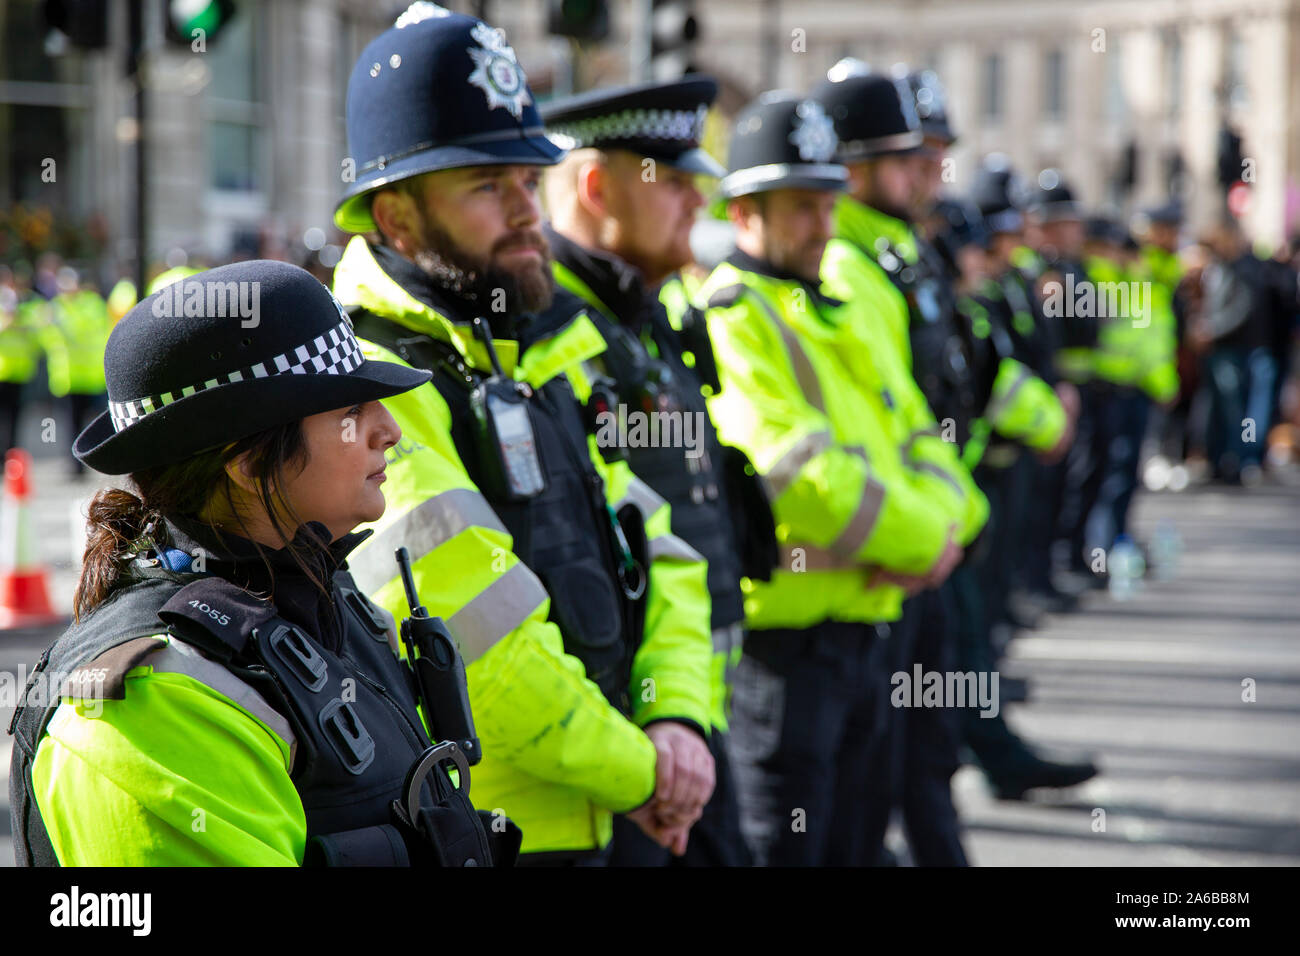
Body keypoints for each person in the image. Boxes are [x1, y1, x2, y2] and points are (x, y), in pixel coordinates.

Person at [330, 7, 714, 864]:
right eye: (485, 187)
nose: (525, 212)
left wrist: (678, 714)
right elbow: (484, 654)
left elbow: (660, 547)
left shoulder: (537, 350)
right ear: (395, 218)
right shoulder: (361, 383)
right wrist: (649, 770)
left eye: (528, 184)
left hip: (619, 806)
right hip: (497, 838)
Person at [8, 260, 513, 866]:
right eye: (349, 411)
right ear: (246, 465)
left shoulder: (310, 587)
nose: (391, 430)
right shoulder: (153, 707)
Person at [699, 91, 966, 866]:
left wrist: (940, 531)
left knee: (854, 842)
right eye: (801, 208)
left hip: (865, 627)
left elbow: (922, 435)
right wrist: (926, 541)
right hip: (786, 654)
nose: (824, 225)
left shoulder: (843, 301)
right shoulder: (732, 312)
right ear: (745, 212)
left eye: (828, 203)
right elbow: (804, 478)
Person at [540, 75, 774, 866]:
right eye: (675, 183)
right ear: (600, 186)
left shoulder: (644, 314)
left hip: (690, 709)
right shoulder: (550, 338)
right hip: (628, 742)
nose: (697, 205)